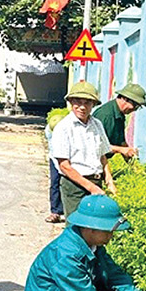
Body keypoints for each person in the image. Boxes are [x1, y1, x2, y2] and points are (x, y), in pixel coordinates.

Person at [48, 80, 112, 219]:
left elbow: (102, 156)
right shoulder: (64, 127)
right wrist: (91, 188)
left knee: (94, 230)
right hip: (74, 186)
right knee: (76, 229)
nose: (82, 107)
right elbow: (64, 166)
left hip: (96, 183)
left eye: (87, 102)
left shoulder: (97, 125)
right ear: (71, 102)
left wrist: (109, 180)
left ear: (93, 105)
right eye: (78, 102)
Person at [90, 83, 146, 167]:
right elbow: (95, 146)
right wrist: (121, 150)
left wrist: (132, 161)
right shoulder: (106, 116)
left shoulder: (119, 114)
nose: (134, 110)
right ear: (125, 99)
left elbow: (121, 142)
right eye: (135, 106)